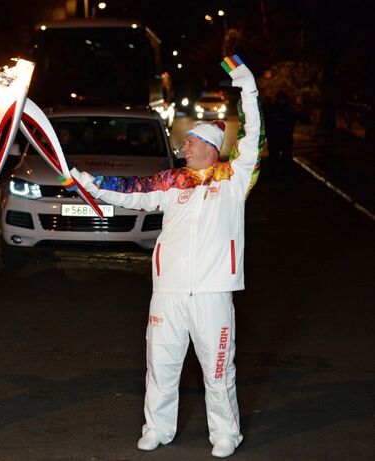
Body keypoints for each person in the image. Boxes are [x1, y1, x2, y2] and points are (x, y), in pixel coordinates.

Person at [68, 57, 263, 458]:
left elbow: (253, 135)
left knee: (217, 368)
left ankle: (226, 434)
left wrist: (248, 89)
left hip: (212, 291)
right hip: (169, 290)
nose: (183, 145)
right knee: (161, 364)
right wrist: (91, 183)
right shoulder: (171, 181)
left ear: (210, 148)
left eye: (191, 141)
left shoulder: (234, 178)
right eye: (185, 140)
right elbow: (131, 189)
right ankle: (156, 427)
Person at [264, 91, 296, 178]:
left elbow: (293, 120)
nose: (282, 101)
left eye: (284, 99)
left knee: (286, 154)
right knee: (274, 154)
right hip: (274, 135)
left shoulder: (289, 109)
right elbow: (267, 121)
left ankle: (285, 172)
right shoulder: (271, 109)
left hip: (285, 135)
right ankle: (273, 172)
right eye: (281, 99)